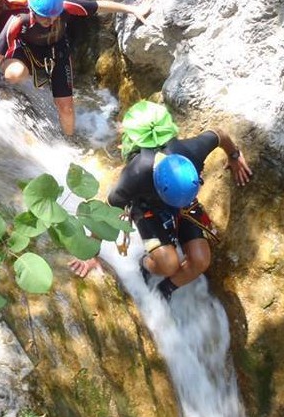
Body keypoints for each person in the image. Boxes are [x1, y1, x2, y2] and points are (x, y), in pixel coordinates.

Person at [69, 100, 253, 301]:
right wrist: (90, 253)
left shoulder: (191, 151)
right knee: (168, 264)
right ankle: (145, 266)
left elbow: (219, 135)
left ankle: (165, 290)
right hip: (147, 208)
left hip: (185, 205)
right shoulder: (136, 174)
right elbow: (107, 213)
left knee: (200, 261)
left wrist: (234, 156)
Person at [0, 0, 150, 136]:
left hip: (56, 53)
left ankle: (70, 143)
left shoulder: (64, 8)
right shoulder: (19, 20)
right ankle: (9, 87)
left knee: (66, 108)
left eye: (54, 17)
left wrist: (132, 9)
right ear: (33, 11)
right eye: (45, 19)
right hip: (24, 52)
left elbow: (98, 6)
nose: (51, 22)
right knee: (15, 73)